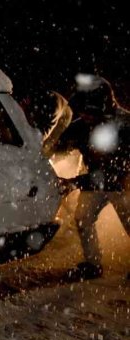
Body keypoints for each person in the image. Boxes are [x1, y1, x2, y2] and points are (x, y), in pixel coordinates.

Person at [48, 75, 129, 278]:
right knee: (83, 218)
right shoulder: (83, 124)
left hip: (122, 184)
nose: (84, 117)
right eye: (82, 112)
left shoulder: (124, 127)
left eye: (89, 113)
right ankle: (93, 265)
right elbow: (60, 144)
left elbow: (113, 172)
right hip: (95, 181)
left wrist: (75, 182)